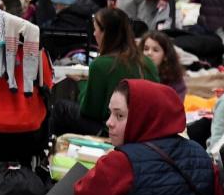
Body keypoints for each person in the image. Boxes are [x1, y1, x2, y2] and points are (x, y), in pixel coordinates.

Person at [66, 79, 224, 195]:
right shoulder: (198, 152)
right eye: (110, 113)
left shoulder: (122, 162)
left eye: (119, 116)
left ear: (143, 117)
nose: (109, 122)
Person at [51, 7, 159, 136]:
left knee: (60, 108)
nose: (94, 34)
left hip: (110, 129)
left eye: (96, 29)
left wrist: (82, 84)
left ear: (105, 33)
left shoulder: (101, 65)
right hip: (144, 129)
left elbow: (89, 111)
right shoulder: (148, 63)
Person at [140, 30, 186, 100]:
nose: (149, 53)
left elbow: (175, 106)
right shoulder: (134, 73)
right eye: (146, 49)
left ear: (165, 56)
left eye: (155, 50)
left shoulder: (175, 79)